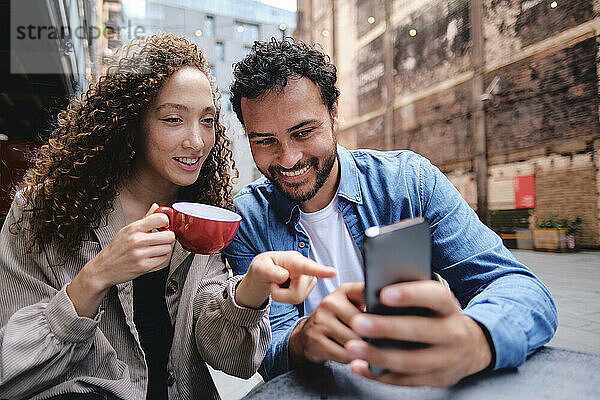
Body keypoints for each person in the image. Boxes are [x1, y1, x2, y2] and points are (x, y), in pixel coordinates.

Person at [0, 34, 335, 400]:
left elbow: (234, 360)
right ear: (131, 122)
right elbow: (12, 370)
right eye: (174, 119)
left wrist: (250, 289)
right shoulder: (45, 209)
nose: (196, 141)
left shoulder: (206, 215)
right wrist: (97, 276)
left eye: (207, 121)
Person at [224, 38, 558, 387]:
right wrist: (302, 339)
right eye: (264, 141)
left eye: (304, 132)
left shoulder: (408, 182)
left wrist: (476, 338)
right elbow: (269, 352)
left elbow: (519, 288)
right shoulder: (247, 218)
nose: (289, 158)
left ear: (334, 114)